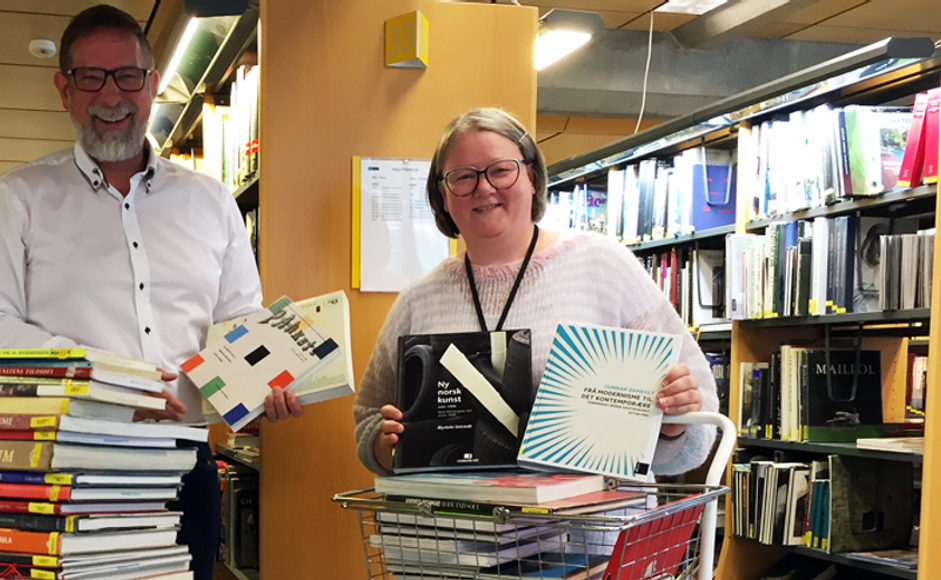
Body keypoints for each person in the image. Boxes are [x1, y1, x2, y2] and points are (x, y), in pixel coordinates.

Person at [0, 6, 300, 579]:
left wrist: (270, 382)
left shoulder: (211, 203)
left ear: (152, 85)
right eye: (91, 77)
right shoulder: (20, 199)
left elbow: (238, 319)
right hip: (66, 466)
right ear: (64, 88)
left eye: (127, 76)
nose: (112, 95)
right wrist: (112, 385)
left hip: (186, 467)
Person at [354, 107, 718, 477]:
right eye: (462, 177)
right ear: (443, 196)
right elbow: (368, 421)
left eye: (500, 170)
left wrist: (675, 424)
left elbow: (696, 428)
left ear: (531, 176)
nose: (483, 187)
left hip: (585, 529)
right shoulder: (419, 299)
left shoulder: (601, 265)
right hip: (456, 528)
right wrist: (385, 447)